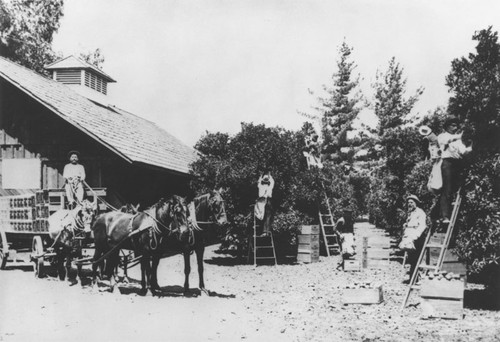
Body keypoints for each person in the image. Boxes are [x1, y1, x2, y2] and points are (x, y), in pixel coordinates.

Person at [437, 117, 472, 224]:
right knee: (447, 189)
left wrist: (470, 146)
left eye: (456, 125)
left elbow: (463, 152)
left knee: (457, 188)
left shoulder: (458, 140)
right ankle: (445, 216)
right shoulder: (442, 136)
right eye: (453, 125)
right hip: (447, 163)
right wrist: (459, 136)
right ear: (447, 126)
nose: (455, 127)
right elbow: (446, 141)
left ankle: (451, 213)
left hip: (458, 164)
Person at [399, 195, 427, 283]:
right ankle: (413, 278)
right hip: (410, 239)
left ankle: (414, 279)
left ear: (416, 203)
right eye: (408, 203)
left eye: (411, 202)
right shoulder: (411, 213)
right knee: (411, 259)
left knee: (416, 259)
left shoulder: (420, 213)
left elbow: (422, 226)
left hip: (418, 239)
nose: (409, 204)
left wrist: (415, 237)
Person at [255, 169, 275, 237]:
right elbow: (259, 181)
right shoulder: (260, 185)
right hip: (261, 200)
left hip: (268, 200)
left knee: (267, 216)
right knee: (260, 215)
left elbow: (272, 182)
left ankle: (265, 231)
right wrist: (262, 175)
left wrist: (269, 175)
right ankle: (261, 231)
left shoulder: (269, 186)